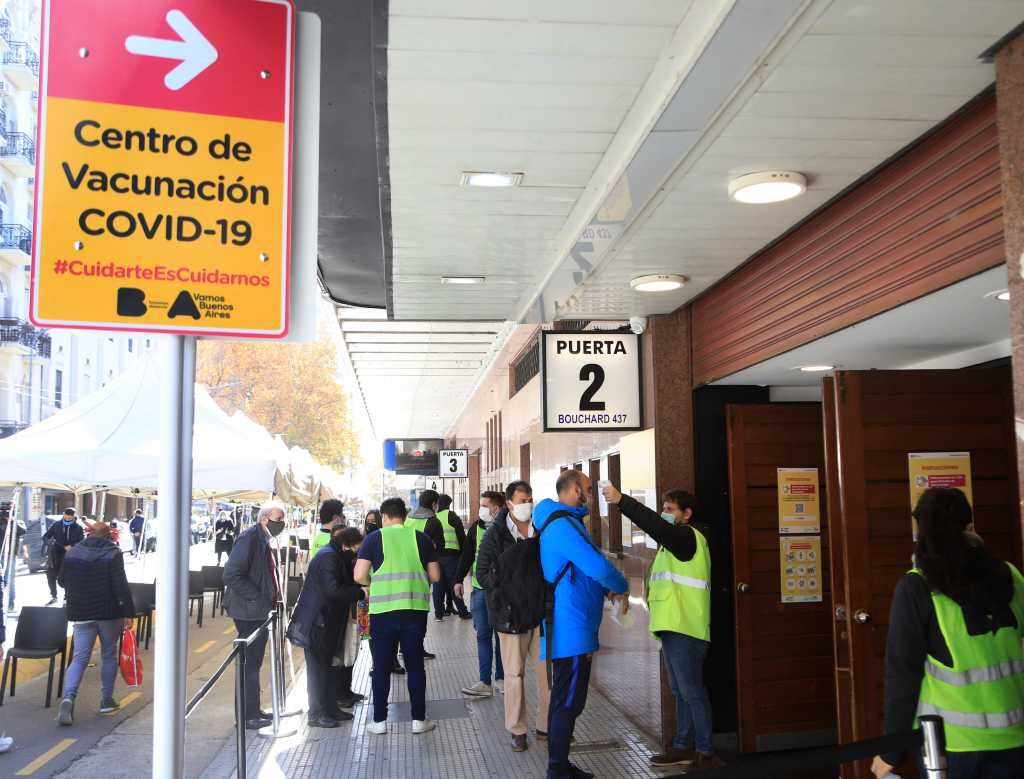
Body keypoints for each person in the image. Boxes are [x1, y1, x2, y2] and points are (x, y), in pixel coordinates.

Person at [871, 487, 1024, 779]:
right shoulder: (1010, 575)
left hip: (949, 748)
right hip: (1015, 739)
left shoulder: (917, 587)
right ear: (971, 525)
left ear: (921, 530)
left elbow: (903, 676)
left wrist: (892, 750)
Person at [603, 483, 722, 769]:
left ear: (687, 514)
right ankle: (683, 745)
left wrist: (622, 501)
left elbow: (655, 525)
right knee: (680, 690)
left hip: (687, 627)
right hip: (672, 626)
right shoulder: (672, 545)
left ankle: (706, 751)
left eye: (670, 510)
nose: (664, 514)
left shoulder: (688, 538)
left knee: (692, 691)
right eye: (663, 509)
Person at [536, 469, 629, 779]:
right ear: (575, 489)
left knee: (567, 700)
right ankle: (557, 769)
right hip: (569, 628)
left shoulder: (566, 522)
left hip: (573, 625)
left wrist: (607, 588)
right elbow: (595, 564)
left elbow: (584, 570)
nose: (591, 495)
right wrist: (621, 585)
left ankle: (559, 766)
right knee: (568, 702)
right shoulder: (562, 525)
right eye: (588, 489)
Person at [354, 497, 441, 735]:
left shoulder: (374, 538)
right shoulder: (421, 538)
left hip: (383, 613)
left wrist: (372, 583)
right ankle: (418, 721)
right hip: (414, 611)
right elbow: (435, 576)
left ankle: (380, 722)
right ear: (404, 515)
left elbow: (359, 574)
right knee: (414, 666)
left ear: (384, 516)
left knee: (381, 667)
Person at [480, 481, 552, 752]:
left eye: (530, 499)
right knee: (514, 674)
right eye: (523, 499)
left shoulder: (540, 528)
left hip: (540, 612)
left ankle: (546, 725)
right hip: (511, 615)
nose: (528, 504)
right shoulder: (495, 535)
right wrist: (513, 562)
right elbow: (483, 575)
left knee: (548, 674)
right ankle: (517, 729)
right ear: (509, 503)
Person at [56, 522, 135, 725]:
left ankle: (68, 697)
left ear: (90, 534)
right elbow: (120, 586)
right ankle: (106, 700)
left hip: (81, 613)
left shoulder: (73, 553)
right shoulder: (113, 553)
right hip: (109, 613)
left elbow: (62, 581)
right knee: (108, 654)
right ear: (108, 535)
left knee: (80, 657)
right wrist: (128, 612)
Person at [287, 523, 365, 728]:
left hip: (328, 622)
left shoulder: (334, 555)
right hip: (318, 623)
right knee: (318, 670)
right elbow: (332, 589)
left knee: (328, 668)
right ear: (347, 546)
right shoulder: (328, 557)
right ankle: (316, 714)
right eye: (356, 549)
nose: (356, 555)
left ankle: (330, 708)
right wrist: (360, 593)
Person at [224, 501, 287, 730]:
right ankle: (246, 715)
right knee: (249, 664)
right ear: (264, 519)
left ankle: (253, 710)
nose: (281, 523)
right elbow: (231, 574)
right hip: (249, 611)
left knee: (254, 663)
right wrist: (258, 598)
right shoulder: (250, 539)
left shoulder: (263, 539)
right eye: (278, 519)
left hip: (257, 610)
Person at [456, 491, 506, 699]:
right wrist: (458, 580)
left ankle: (502, 678)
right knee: (483, 635)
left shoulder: (507, 529)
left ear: (496, 507)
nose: (481, 509)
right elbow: (467, 554)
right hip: (479, 590)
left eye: (485, 505)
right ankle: (484, 681)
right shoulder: (476, 528)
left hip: (502, 591)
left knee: (501, 636)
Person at [435, 494, 470, 620]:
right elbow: (461, 536)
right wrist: (464, 554)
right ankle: (462, 611)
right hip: (452, 555)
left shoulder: (434, 517)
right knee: (454, 583)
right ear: (448, 504)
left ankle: (439, 614)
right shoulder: (452, 515)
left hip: (437, 556)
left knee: (438, 586)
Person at [43, 508, 84, 606]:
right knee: (50, 575)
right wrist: (51, 543)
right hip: (55, 554)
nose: (68, 518)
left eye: (71, 516)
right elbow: (45, 537)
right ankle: (53, 596)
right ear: (63, 514)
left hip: (70, 555)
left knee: (66, 576)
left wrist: (73, 546)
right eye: (66, 515)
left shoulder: (78, 528)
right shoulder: (56, 525)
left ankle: (67, 597)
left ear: (74, 516)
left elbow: (82, 541)